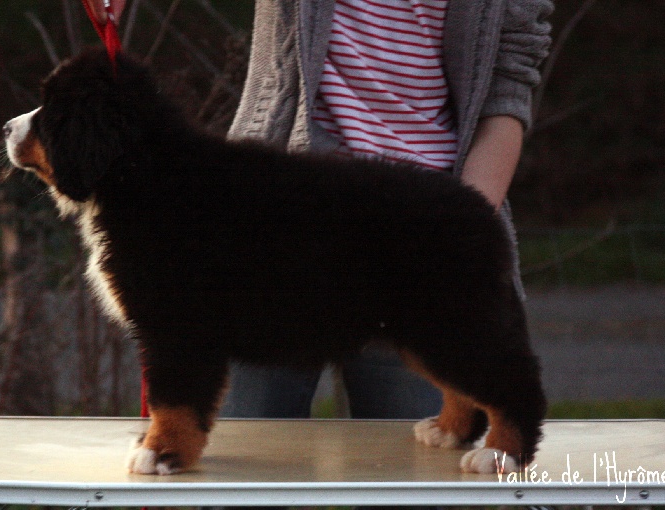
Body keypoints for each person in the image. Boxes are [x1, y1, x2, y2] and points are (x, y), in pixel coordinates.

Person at [86, 0, 553, 423]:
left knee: (414, 473)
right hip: (266, 230)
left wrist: (460, 228)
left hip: (417, 234)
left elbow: (508, 86)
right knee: (243, 463)